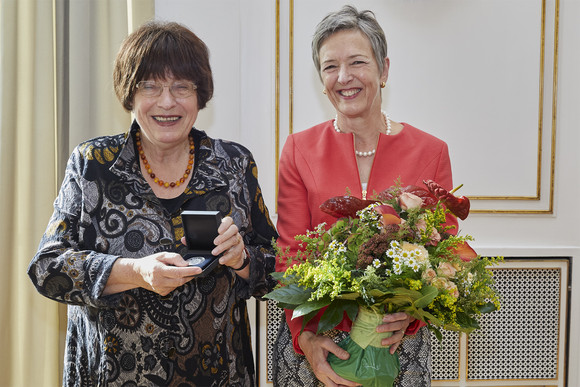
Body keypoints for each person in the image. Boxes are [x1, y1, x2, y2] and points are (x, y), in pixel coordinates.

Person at [28, 21, 277, 386]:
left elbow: (276, 272)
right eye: (150, 86)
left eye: (181, 87)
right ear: (130, 94)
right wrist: (135, 272)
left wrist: (241, 260)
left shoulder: (233, 164)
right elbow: (47, 269)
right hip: (113, 376)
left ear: (200, 94)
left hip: (219, 375)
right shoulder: (93, 164)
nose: (167, 102)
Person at [273, 5, 456, 387]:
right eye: (329, 66)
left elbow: (445, 252)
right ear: (321, 79)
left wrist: (410, 316)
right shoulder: (298, 149)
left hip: (395, 340)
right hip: (317, 336)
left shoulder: (431, 151)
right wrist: (304, 336)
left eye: (357, 62)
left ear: (384, 70)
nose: (344, 78)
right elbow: (290, 251)